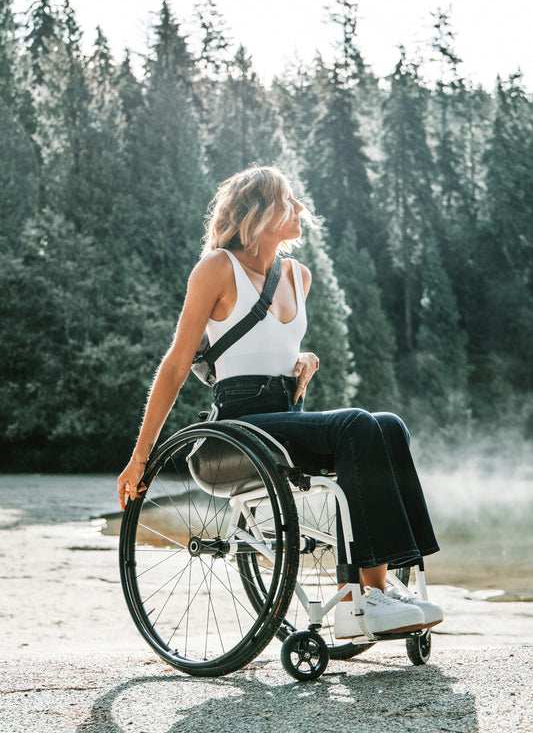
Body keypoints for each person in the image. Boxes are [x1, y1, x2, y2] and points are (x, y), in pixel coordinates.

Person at [117, 164, 443, 639]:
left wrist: (302, 358)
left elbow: (273, 344)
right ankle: (366, 599)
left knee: (387, 425)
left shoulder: (299, 276)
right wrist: (139, 457)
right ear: (261, 210)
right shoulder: (216, 268)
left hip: (284, 415)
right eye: (289, 200)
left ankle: (374, 589)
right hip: (236, 428)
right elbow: (175, 365)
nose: (300, 210)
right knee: (355, 424)